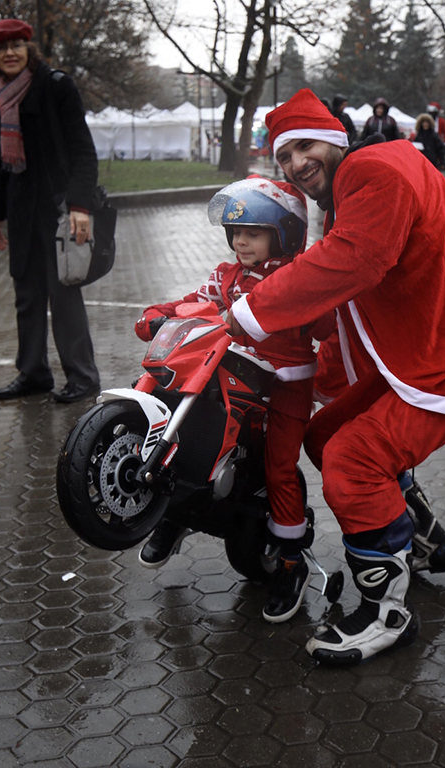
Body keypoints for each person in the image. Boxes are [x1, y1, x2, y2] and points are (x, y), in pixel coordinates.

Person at [226, 89, 445, 666]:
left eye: (305, 147)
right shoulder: (356, 189)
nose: (296, 164)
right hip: (439, 348)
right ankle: (423, 539)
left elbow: (355, 261)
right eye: (283, 157)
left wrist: (252, 312)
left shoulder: (375, 169)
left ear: (334, 141)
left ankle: (387, 614)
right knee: (325, 436)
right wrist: (310, 365)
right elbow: (352, 303)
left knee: (354, 461)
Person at [133, 177, 318, 624]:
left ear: (283, 233)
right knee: (180, 407)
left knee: (278, 466)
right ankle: (173, 508)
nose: (241, 240)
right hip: (227, 372)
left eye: (252, 232)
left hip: (283, 385)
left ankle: (291, 563)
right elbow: (198, 301)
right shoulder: (226, 273)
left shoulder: (297, 276)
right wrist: (164, 312)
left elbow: (323, 321)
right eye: (235, 232)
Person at [0, 19, 101, 405]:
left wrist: (80, 206)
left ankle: (83, 378)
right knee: (27, 295)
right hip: (21, 211)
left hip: (58, 209)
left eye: (17, 45)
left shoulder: (55, 86)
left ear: (28, 49)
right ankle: (32, 374)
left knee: (64, 294)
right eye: (2, 48)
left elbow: (83, 150)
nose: (10, 53)